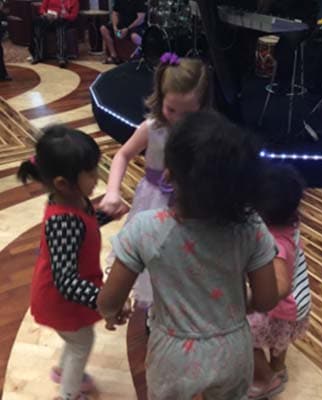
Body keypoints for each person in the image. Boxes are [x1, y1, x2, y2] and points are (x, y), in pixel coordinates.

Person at [97, 111, 281, 399]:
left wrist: (113, 312)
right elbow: (268, 298)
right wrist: (232, 305)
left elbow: (109, 301)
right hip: (232, 350)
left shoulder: (145, 228)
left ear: (169, 174)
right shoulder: (250, 227)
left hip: (172, 355)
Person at [98, 56, 210, 323]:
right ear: (161, 98)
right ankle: (153, 312)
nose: (177, 120)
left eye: (187, 113)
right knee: (149, 253)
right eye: (172, 110)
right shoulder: (152, 128)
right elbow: (122, 155)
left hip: (188, 206)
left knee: (182, 259)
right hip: (152, 202)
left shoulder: (206, 134)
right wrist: (113, 191)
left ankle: (176, 303)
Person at [20, 126, 125, 400]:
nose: (97, 177)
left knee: (76, 338)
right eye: (90, 173)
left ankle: (63, 370)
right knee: (81, 342)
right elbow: (66, 281)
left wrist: (105, 216)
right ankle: (69, 394)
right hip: (61, 299)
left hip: (69, 297)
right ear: (62, 183)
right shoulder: (63, 219)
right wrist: (104, 299)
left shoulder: (75, 200)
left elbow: (83, 229)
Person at [247, 164, 312, 399]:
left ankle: (266, 378)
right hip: (299, 303)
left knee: (244, 332)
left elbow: (282, 286)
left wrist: (252, 303)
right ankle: (278, 369)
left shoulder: (274, 243)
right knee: (279, 341)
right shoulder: (292, 224)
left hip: (279, 305)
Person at [29, 0, 77, 67]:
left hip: (62, 19)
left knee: (60, 24)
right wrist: (45, 14)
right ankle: (37, 55)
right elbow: (42, 9)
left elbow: (73, 16)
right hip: (48, 18)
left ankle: (61, 57)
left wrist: (63, 15)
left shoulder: (73, 1)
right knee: (37, 23)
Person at [99, 0, 146, 64]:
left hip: (135, 25)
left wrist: (127, 29)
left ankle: (144, 56)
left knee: (134, 37)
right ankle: (114, 56)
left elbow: (140, 19)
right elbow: (115, 13)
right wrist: (115, 27)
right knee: (103, 29)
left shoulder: (140, 2)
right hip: (122, 25)